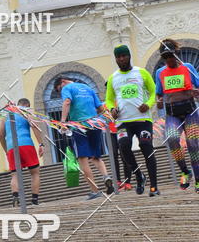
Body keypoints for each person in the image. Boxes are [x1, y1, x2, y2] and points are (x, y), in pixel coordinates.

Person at [105, 45, 159, 196]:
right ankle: (138, 175)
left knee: (145, 145)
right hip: (123, 121)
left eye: (124, 56)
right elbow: (109, 99)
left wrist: (148, 104)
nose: (121, 59)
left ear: (129, 56)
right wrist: (112, 109)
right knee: (123, 146)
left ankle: (154, 187)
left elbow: (154, 92)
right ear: (116, 59)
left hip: (142, 119)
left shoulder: (141, 72)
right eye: (118, 57)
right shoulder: (112, 78)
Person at [55, 76, 113, 199]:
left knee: (82, 158)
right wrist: (104, 120)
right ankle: (106, 176)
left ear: (63, 82)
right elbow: (101, 108)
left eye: (59, 90)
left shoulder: (67, 88)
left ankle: (95, 190)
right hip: (94, 124)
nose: (61, 92)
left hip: (79, 126)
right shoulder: (87, 87)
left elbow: (67, 102)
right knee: (96, 156)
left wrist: (63, 122)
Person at [155, 39, 199, 193]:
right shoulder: (160, 73)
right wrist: (159, 102)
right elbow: (159, 95)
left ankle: (198, 179)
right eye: (165, 57)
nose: (169, 60)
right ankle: (184, 171)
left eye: (171, 56)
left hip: (190, 112)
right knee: (172, 137)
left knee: (193, 143)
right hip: (172, 113)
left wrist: (196, 93)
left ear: (176, 54)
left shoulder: (188, 68)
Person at [0, 98, 44, 207]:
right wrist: (41, 144)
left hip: (11, 147)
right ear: (27, 105)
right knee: (35, 173)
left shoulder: (5, 116)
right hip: (26, 144)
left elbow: (0, 135)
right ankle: (34, 200)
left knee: (15, 175)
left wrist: (6, 150)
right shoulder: (26, 112)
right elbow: (34, 126)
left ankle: (15, 197)